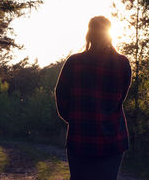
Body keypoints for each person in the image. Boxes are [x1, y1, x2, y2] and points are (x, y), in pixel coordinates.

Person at [55, 16, 132, 180]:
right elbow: (120, 98)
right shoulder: (123, 64)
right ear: (110, 35)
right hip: (113, 140)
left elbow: (61, 97)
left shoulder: (74, 63)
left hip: (80, 138)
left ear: (88, 35)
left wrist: (76, 119)